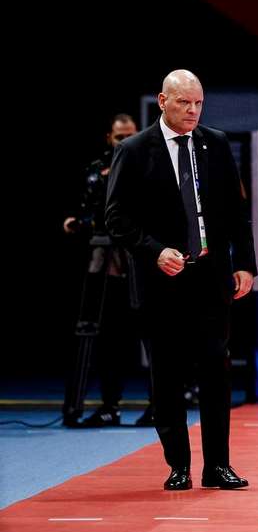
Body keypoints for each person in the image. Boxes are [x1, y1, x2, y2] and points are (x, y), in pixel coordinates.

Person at [106, 70, 256, 491]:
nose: (192, 111)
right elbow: (116, 217)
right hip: (161, 280)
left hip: (211, 275)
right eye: (184, 103)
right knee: (167, 376)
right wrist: (155, 250)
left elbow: (234, 211)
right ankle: (179, 466)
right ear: (162, 101)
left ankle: (218, 466)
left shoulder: (216, 143)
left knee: (216, 369)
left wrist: (245, 263)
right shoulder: (134, 150)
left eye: (198, 104)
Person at [61, 114, 152, 428]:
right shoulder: (95, 170)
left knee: (151, 335)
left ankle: (161, 405)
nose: (123, 142)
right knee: (104, 336)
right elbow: (92, 210)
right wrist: (79, 222)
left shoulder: (149, 164)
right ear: (109, 138)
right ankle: (108, 405)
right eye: (118, 137)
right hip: (104, 260)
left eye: (129, 136)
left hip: (141, 259)